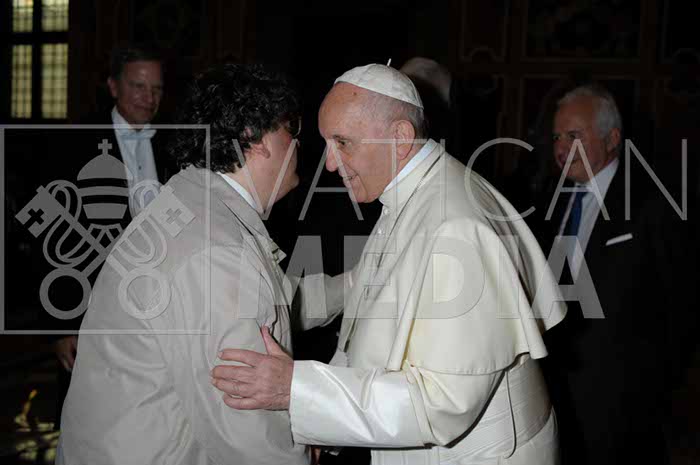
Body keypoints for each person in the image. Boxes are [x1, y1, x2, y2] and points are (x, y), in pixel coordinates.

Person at [211, 64, 567, 464]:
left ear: (399, 137)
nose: (330, 164)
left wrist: (297, 389)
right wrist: (322, 420)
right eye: (327, 143)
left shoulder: (456, 226)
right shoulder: (408, 194)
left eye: (343, 142)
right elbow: (361, 314)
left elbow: (442, 403)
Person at [56, 64, 318, 464]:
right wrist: (299, 450)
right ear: (256, 138)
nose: (298, 144)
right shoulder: (216, 249)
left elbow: (279, 303)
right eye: (291, 128)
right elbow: (247, 434)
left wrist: (355, 286)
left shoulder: (189, 203)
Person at [538, 84, 698, 464]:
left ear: (612, 139)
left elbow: (682, 307)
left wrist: (653, 390)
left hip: (626, 410)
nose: (561, 148)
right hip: (560, 397)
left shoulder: (653, 203)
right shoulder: (553, 201)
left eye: (574, 135)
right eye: (557, 137)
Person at [52, 44, 176, 419]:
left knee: (150, 416)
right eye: (138, 86)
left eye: (156, 88)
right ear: (113, 86)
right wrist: (62, 324)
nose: (149, 98)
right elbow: (57, 237)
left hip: (160, 308)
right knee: (90, 415)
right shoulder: (75, 144)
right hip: (94, 305)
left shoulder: (176, 142)